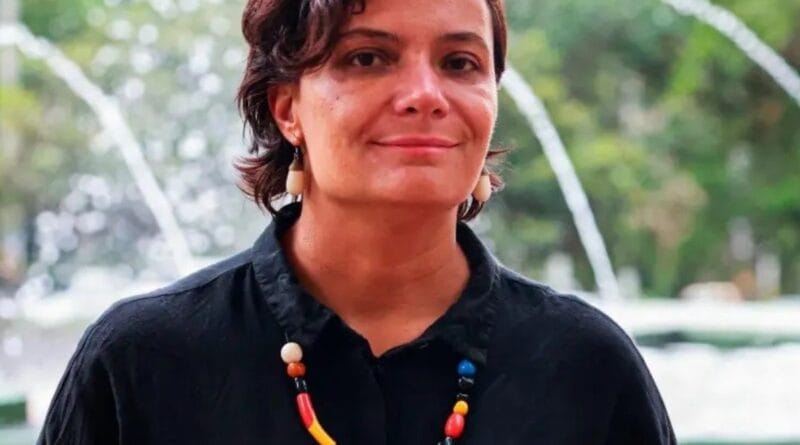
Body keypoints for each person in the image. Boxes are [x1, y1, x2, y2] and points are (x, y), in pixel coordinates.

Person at [38, 0, 677, 443]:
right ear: (287, 108)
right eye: (368, 58)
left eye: (460, 62)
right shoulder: (143, 362)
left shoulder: (586, 367)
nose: (425, 94)